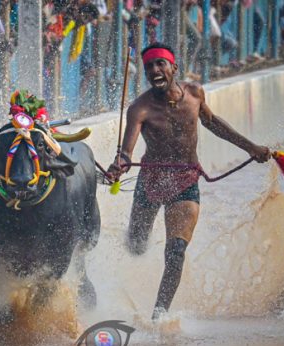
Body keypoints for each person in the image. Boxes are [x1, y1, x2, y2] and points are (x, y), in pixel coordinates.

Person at [106, 43, 271, 320]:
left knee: (176, 250)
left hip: (185, 181)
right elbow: (126, 152)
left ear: (174, 68)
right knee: (135, 246)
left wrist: (251, 147)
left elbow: (213, 123)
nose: (155, 70)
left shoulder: (195, 93)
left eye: (160, 64)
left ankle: (159, 315)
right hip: (152, 181)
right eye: (149, 66)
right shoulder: (140, 108)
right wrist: (118, 165)